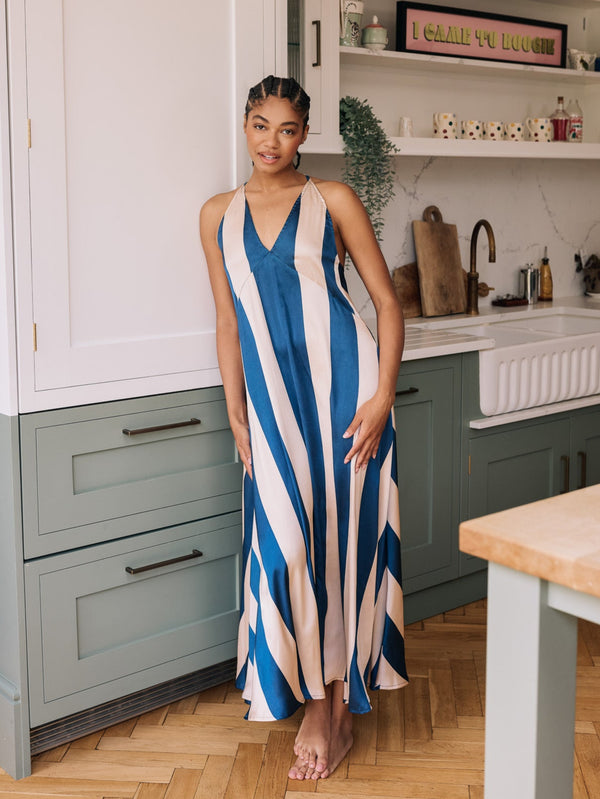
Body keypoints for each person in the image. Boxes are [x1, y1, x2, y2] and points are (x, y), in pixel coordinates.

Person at [200, 75, 407, 781]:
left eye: (286, 129)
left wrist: (382, 396)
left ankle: (333, 710)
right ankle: (318, 699)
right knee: (289, 546)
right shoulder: (216, 215)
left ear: (304, 135)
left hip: (347, 396)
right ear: (246, 125)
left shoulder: (335, 200)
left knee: (345, 548)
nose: (271, 141)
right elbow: (228, 322)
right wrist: (236, 411)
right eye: (260, 124)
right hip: (272, 407)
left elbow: (385, 300)